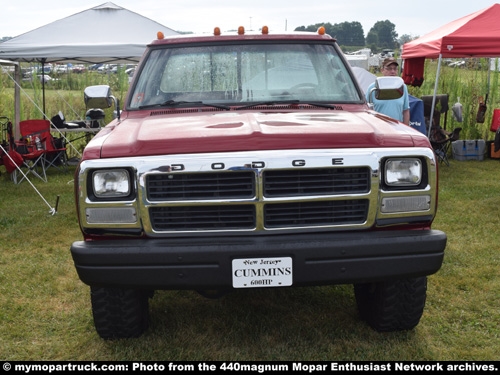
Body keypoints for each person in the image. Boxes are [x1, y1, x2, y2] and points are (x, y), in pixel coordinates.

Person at [366, 57, 410, 125]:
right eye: (389, 68)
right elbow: (366, 111)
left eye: (395, 69)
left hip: (398, 127)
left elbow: (406, 110)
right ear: (382, 70)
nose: (392, 71)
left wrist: (406, 129)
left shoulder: (402, 87)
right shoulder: (372, 88)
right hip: (379, 128)